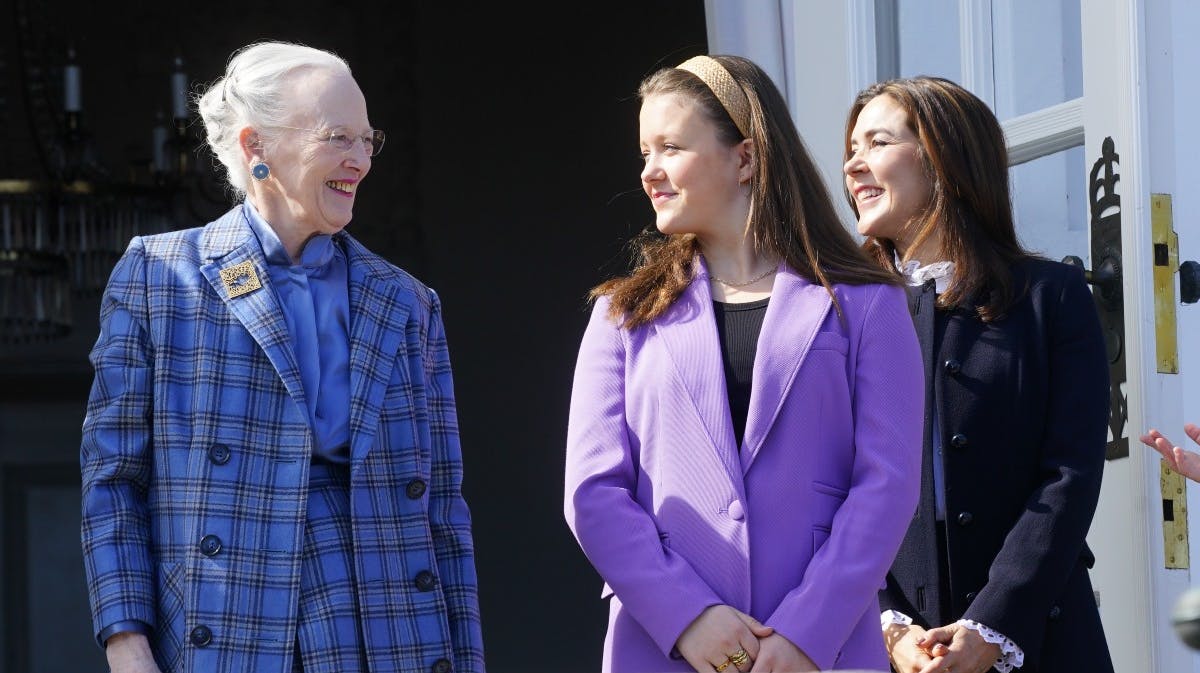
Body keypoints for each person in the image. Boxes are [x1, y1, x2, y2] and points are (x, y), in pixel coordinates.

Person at [80, 41, 484, 673]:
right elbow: (113, 480)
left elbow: (442, 511)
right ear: (255, 147)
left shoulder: (407, 302)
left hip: (388, 632)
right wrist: (125, 641)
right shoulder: (159, 276)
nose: (360, 161)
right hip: (233, 629)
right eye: (337, 138)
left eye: (367, 140)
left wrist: (467, 660)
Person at [563, 53, 924, 673]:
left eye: (670, 147)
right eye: (644, 154)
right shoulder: (622, 316)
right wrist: (687, 617)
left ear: (746, 158)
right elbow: (593, 494)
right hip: (664, 649)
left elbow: (886, 485)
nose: (650, 172)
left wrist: (808, 632)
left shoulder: (867, 304)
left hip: (822, 653)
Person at [843, 75, 1115, 673]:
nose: (853, 167)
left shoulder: (1052, 298)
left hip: (1041, 635)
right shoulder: (843, 316)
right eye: (851, 151)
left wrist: (994, 625)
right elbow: (836, 489)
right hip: (894, 647)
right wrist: (890, 626)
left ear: (945, 158)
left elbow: (1069, 476)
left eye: (877, 143)